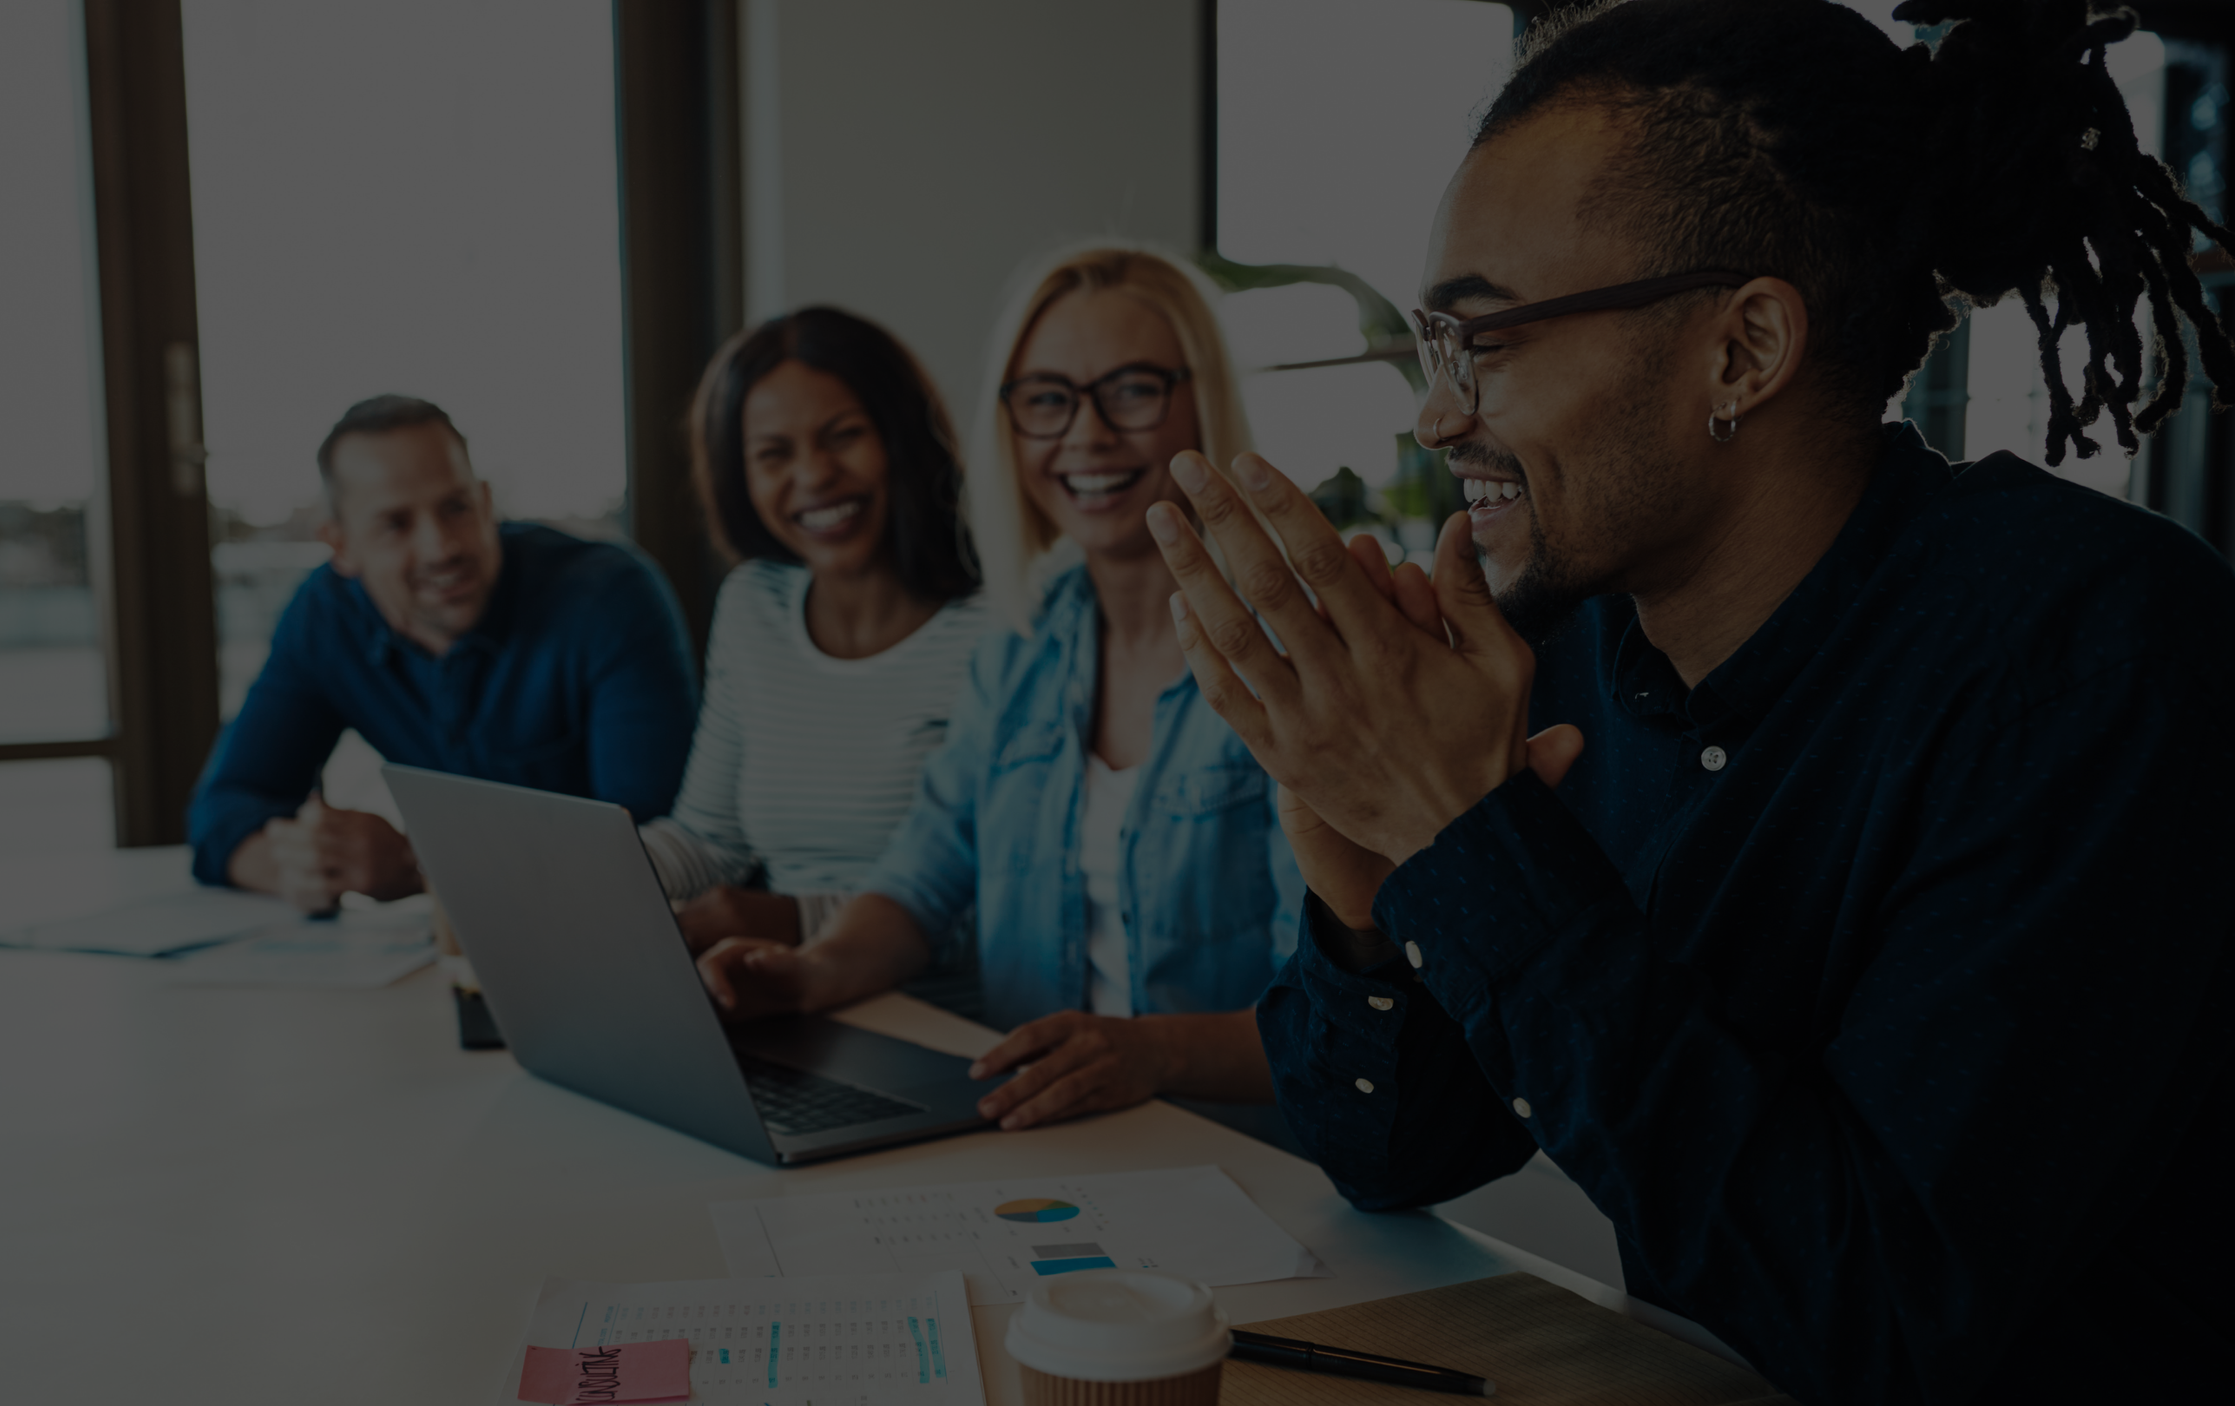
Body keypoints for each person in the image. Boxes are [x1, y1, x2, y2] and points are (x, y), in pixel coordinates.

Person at [1150, 1, 2235, 1402]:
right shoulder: (1569, 645)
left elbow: (1884, 1313)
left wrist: (1468, 832)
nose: (1436, 417)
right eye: (1433, 345)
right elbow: (1393, 1152)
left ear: (1741, 351)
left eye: (1486, 341)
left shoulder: (2092, 657)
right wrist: (1369, 887)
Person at [697, 247, 1303, 1138]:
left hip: (1256, 1168)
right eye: (1048, 400)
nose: (1087, 436)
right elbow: (922, 874)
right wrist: (811, 973)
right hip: (1043, 1142)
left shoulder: (1293, 658)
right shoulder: (1023, 646)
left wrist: (1155, 1051)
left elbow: (1345, 1010)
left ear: (1203, 398)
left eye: (1131, 390)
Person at [189, 394, 699, 912]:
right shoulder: (324, 617)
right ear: (340, 545)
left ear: (484, 501)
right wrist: (306, 866)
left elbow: (658, 848)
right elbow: (219, 816)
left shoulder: (609, 598)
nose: (441, 548)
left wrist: (416, 865)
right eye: (396, 524)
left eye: (455, 507)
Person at [637, 308, 994, 988]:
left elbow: (1016, 908)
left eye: (844, 436)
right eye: (774, 454)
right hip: (785, 993)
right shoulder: (753, 605)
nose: (814, 475)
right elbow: (708, 840)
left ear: (902, 439)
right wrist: (586, 875)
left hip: (946, 1009)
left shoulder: (996, 627)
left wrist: (796, 920)